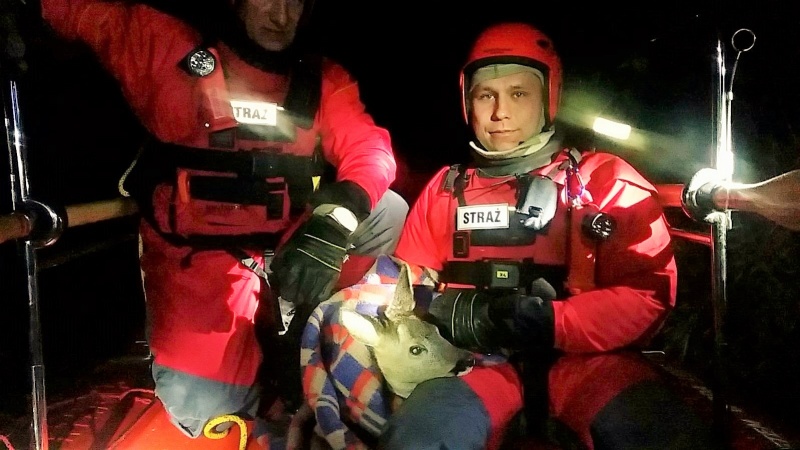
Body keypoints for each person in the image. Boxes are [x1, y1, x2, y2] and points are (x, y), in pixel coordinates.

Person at [39, 0, 408, 443]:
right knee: (202, 414)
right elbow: (89, 12)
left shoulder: (321, 79)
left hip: (293, 249)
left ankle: (326, 323)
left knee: (387, 209)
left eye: (294, 1)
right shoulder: (169, 50)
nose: (281, 16)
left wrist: (331, 225)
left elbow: (371, 150)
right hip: (200, 267)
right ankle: (261, 364)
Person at [380, 21, 713, 449]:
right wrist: (446, 311)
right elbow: (404, 286)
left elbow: (647, 295)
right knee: (416, 437)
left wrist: (552, 322)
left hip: (590, 366)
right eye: (486, 95)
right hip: (476, 367)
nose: (500, 112)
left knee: (668, 437)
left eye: (519, 93)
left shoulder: (605, 178)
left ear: (548, 97)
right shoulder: (445, 189)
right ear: (467, 102)